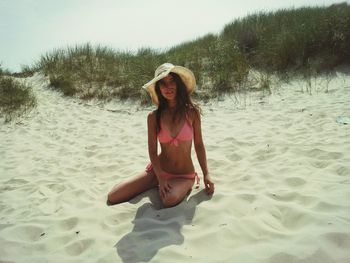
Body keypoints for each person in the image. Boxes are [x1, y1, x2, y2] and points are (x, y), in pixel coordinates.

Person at [107, 63, 214, 208]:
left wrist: (206, 173)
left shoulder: (192, 113)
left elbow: (199, 145)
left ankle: (186, 184)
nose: (168, 87)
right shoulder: (153, 117)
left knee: (168, 200)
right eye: (163, 83)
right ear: (158, 88)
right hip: (158, 172)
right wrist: (161, 177)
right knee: (114, 196)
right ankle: (154, 182)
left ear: (179, 84)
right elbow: (152, 150)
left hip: (183, 175)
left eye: (172, 81)